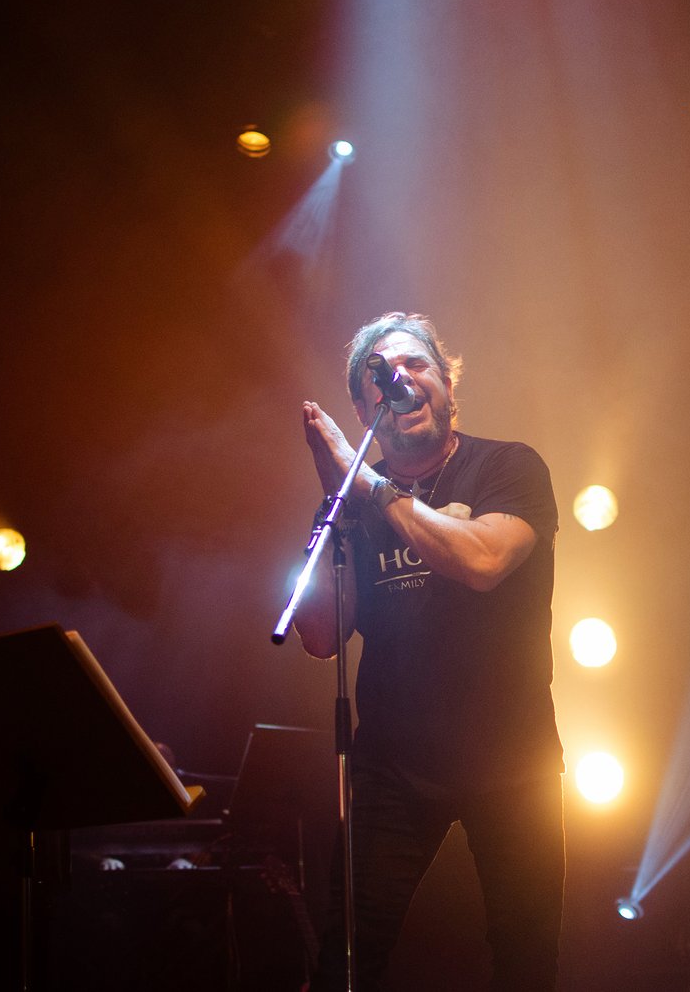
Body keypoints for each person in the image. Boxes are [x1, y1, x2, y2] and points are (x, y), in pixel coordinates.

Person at [294, 312, 564, 991]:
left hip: (514, 754)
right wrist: (335, 506)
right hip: (394, 761)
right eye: (379, 376)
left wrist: (374, 493)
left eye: (415, 365)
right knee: (348, 953)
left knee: (524, 958)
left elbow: (481, 561)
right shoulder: (351, 501)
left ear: (447, 386)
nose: (400, 379)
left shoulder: (508, 466)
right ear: (363, 409)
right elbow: (323, 638)